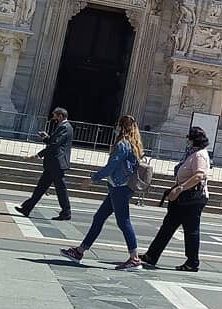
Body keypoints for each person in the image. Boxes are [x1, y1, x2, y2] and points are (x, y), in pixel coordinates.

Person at [61, 115, 143, 270]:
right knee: (99, 217)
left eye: (117, 125)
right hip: (118, 187)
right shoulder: (133, 144)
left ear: (121, 127)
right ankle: (80, 251)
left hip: (119, 187)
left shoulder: (123, 144)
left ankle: (135, 258)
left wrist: (92, 178)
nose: (115, 128)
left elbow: (111, 167)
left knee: (123, 221)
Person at [141, 125, 212, 272]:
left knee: (191, 230)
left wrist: (180, 188)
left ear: (194, 139)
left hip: (191, 198)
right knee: (167, 226)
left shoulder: (199, 155)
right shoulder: (192, 153)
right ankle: (151, 255)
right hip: (183, 197)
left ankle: (192, 262)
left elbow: (199, 175)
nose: (187, 140)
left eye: (189, 138)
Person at [17, 107, 73, 220]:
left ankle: (66, 212)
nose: (54, 118)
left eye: (55, 116)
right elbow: (53, 141)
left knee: (60, 189)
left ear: (61, 116)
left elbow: (55, 145)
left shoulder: (65, 127)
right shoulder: (63, 127)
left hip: (57, 163)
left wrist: (38, 155)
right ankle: (27, 208)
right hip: (53, 164)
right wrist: (46, 137)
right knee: (41, 187)